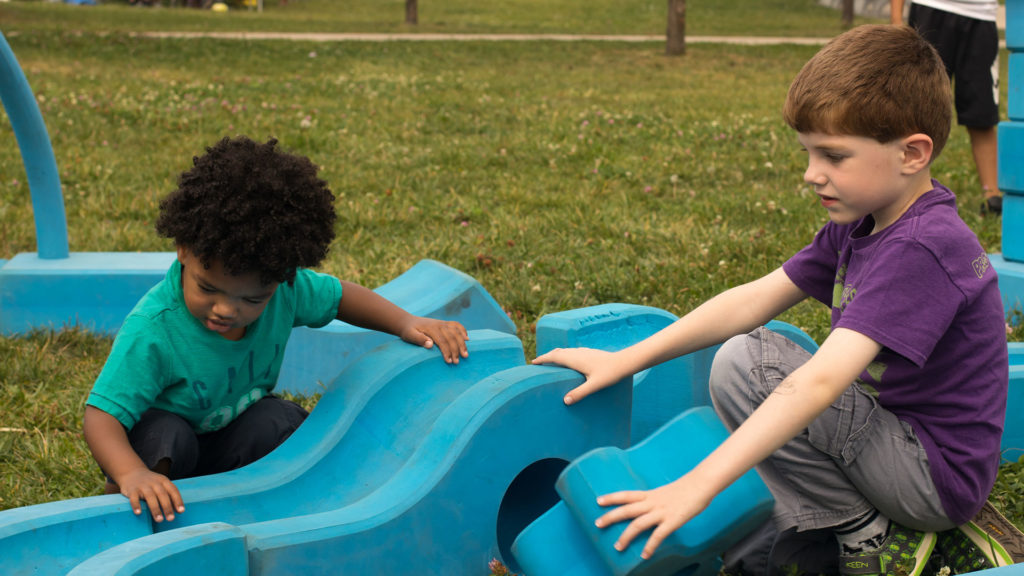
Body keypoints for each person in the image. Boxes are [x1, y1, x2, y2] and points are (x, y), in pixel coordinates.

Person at [534, 25, 1013, 575]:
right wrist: (626, 360)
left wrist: (697, 487)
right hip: (891, 446)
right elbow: (754, 300)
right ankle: (847, 529)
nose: (812, 174)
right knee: (741, 359)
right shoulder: (866, 222)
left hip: (932, 478)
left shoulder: (923, 246)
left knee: (756, 364)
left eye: (834, 155)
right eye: (808, 152)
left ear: (912, 153)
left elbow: (820, 383)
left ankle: (876, 539)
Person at [83, 136, 469, 524]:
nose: (225, 309)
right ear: (183, 249)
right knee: (167, 434)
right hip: (163, 455)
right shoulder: (154, 329)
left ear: (281, 279)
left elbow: (340, 297)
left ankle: (273, 505)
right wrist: (131, 473)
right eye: (207, 288)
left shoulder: (285, 290)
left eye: (252, 299)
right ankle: (130, 513)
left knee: (278, 419)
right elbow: (101, 418)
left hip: (229, 440)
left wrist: (405, 322)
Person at [892, 0, 1004, 215]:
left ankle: (992, 198)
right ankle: (901, 191)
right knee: (915, 111)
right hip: (931, 8)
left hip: (981, 17)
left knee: (982, 114)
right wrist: (896, 19)